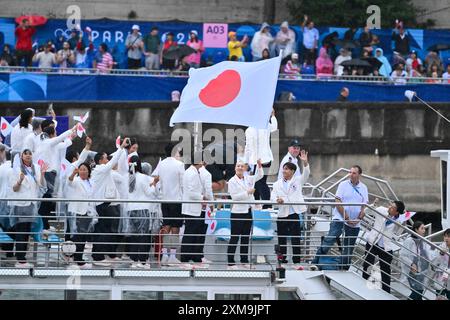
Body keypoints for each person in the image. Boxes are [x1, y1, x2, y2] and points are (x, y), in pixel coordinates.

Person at [312, 165, 368, 270]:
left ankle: (344, 268)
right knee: (330, 239)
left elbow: (363, 206)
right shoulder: (343, 184)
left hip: (355, 222)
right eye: (350, 172)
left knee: (349, 247)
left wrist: (359, 218)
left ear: (359, 175)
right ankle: (315, 262)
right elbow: (338, 202)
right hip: (340, 218)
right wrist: (346, 217)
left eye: (354, 173)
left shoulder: (364, 188)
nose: (351, 175)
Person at [90, 138, 129, 266]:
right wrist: (121, 148)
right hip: (103, 204)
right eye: (106, 158)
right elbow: (112, 163)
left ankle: (98, 255)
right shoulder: (100, 169)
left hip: (104, 204)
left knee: (103, 230)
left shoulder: (103, 170)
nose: (107, 160)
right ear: (100, 160)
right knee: (104, 231)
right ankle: (98, 257)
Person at [9, 149, 47, 267]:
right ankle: (20, 259)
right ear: (21, 156)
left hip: (32, 205)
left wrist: (43, 174)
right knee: (21, 231)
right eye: (26, 154)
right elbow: (14, 188)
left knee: (26, 231)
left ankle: (22, 257)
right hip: (21, 204)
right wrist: (20, 180)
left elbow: (40, 186)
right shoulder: (16, 169)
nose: (28, 155)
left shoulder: (35, 168)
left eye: (30, 153)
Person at [271, 154, 309, 266]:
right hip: (282, 213)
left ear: (292, 171)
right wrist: (277, 200)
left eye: (286, 169)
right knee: (281, 239)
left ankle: (297, 261)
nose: (284, 171)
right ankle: (282, 260)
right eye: (284, 169)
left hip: (294, 213)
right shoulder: (276, 184)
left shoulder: (298, 180)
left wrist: (305, 163)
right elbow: (272, 197)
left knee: (295, 239)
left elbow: (306, 174)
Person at [362, 200, 406, 293]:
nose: (390, 207)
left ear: (397, 212)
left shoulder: (398, 220)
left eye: (393, 207)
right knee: (367, 264)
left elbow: (397, 233)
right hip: (373, 242)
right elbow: (367, 211)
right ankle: (363, 286)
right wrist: (373, 205)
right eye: (390, 205)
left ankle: (386, 292)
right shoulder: (382, 210)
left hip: (385, 246)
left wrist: (403, 223)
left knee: (386, 271)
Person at [227, 160, 263, 269]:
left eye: (242, 166)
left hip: (248, 211)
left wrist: (260, 166)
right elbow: (234, 197)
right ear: (235, 168)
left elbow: (260, 176)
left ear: (245, 168)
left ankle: (244, 260)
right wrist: (247, 192)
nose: (240, 168)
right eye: (238, 166)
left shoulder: (248, 178)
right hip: (237, 213)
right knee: (234, 237)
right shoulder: (232, 181)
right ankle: (230, 262)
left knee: (245, 238)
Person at [125, 155, 159, 269]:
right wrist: (153, 185)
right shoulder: (143, 177)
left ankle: (134, 260)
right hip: (142, 209)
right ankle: (143, 261)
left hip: (130, 209)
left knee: (134, 236)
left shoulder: (127, 178)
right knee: (143, 236)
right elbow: (150, 193)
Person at [180, 152, 211, 268]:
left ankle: (191, 257)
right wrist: (202, 197)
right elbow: (191, 192)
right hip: (191, 208)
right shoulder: (191, 173)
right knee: (189, 233)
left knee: (193, 233)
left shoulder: (194, 172)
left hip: (194, 208)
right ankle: (185, 259)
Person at [158, 143, 185, 265]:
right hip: (176, 199)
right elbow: (182, 183)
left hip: (164, 198)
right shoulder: (179, 164)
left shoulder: (161, 164)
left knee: (166, 225)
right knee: (175, 228)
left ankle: (164, 254)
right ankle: (172, 255)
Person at [245, 109, 277, 208]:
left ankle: (266, 206)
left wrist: (247, 161)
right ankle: (258, 204)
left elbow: (249, 147)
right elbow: (274, 128)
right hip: (264, 159)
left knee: (260, 182)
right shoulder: (264, 125)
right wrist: (273, 116)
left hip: (259, 160)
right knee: (258, 182)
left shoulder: (251, 129)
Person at [66, 162, 95, 269]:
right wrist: (73, 174)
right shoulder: (76, 181)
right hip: (78, 212)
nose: (83, 171)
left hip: (88, 212)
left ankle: (78, 257)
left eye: (85, 169)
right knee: (78, 237)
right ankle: (77, 259)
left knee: (83, 237)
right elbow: (69, 182)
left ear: (88, 171)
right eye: (81, 169)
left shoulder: (91, 182)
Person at [400, 220, 432, 300]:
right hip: (411, 271)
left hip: (420, 271)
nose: (424, 231)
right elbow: (403, 255)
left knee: (419, 293)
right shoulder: (409, 241)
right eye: (422, 229)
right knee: (417, 293)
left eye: (424, 229)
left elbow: (429, 254)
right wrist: (411, 264)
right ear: (416, 230)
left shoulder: (422, 241)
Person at [431, 228, 449, 300]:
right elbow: (433, 264)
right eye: (445, 236)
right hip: (441, 277)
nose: (446, 238)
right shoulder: (439, 248)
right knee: (439, 297)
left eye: (449, 236)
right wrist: (441, 254)